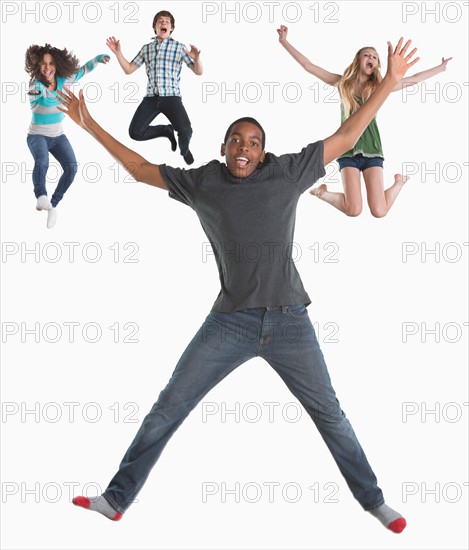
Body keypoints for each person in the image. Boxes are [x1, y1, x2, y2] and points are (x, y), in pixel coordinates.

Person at [57, 37, 418, 533]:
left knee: (330, 414)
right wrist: (88, 123)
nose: (244, 148)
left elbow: (350, 130)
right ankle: (116, 499)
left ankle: (374, 501)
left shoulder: (289, 171)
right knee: (169, 404)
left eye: (252, 142)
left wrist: (390, 85)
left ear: (263, 151)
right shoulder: (203, 182)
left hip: (290, 319)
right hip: (230, 322)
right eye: (236, 141)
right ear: (222, 147)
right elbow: (141, 168)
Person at [277, 25, 451, 217]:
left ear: (377, 65)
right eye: (367, 55)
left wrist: (441, 68)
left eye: (375, 57)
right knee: (354, 210)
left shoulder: (380, 87)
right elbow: (309, 66)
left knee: (379, 211)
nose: (371, 58)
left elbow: (414, 78)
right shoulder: (342, 83)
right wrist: (284, 41)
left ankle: (399, 183)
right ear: (358, 60)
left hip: (372, 149)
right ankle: (322, 192)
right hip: (347, 150)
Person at [25, 44, 109, 228]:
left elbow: (84, 70)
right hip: (37, 136)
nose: (47, 68)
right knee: (42, 160)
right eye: (43, 64)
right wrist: (47, 93)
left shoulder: (65, 80)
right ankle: (41, 196)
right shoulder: (36, 85)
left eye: (51, 63)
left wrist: (98, 59)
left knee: (71, 168)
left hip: (58, 136)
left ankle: (53, 205)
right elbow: (36, 96)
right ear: (37, 66)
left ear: (58, 64)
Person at [106, 10, 203, 165]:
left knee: (186, 131)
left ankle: (184, 149)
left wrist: (197, 59)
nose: (163, 23)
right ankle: (166, 130)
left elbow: (198, 72)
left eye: (167, 21)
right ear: (155, 27)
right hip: (151, 99)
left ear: (171, 28)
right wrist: (118, 52)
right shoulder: (147, 49)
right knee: (135, 133)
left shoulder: (180, 48)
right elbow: (129, 69)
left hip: (172, 98)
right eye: (160, 21)